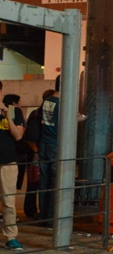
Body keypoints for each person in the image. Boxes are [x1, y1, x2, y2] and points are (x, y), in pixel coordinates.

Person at [1, 90, 26, 250]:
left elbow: (18, 135)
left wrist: (6, 115)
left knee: (9, 202)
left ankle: (10, 237)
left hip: (8, 161)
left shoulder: (13, 111)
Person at [36, 79, 60, 224]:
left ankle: (43, 213)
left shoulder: (47, 101)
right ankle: (51, 216)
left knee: (44, 180)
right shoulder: (62, 103)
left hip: (44, 143)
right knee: (55, 180)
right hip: (55, 144)